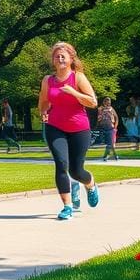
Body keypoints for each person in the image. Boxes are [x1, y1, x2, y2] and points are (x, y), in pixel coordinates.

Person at [38, 41, 99, 221]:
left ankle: (90, 184)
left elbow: (93, 102)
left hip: (79, 129)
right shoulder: (47, 80)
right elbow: (43, 100)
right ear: (53, 61)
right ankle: (67, 206)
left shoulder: (78, 77)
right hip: (55, 127)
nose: (60, 58)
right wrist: (43, 112)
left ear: (71, 59)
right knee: (61, 164)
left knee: (76, 171)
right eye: (57, 56)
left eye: (63, 56)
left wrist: (74, 93)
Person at [96, 97, 119, 161]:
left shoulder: (111, 109)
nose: (108, 103)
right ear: (104, 102)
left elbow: (116, 117)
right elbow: (98, 118)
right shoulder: (100, 109)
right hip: (103, 128)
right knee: (110, 143)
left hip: (110, 128)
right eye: (106, 102)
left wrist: (115, 126)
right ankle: (115, 155)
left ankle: (106, 156)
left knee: (110, 143)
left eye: (109, 102)